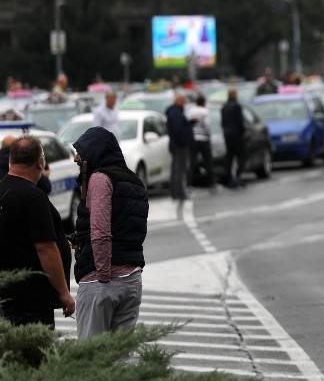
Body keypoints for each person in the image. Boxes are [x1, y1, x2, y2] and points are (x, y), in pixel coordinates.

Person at [72, 127, 147, 339]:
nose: (77, 157)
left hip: (102, 281)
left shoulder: (100, 179)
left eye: (81, 151)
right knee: (122, 357)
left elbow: (101, 232)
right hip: (132, 280)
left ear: (96, 152)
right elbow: (132, 228)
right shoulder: (135, 181)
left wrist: (103, 275)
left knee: (90, 357)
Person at [0, 136, 74, 327]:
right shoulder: (34, 197)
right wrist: (64, 293)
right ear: (40, 163)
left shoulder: (3, 190)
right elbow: (46, 248)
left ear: (10, 160)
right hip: (31, 301)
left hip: (6, 295)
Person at [165, 94, 192, 200]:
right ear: (179, 101)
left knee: (176, 169)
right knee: (179, 170)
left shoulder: (174, 111)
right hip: (179, 145)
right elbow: (178, 130)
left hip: (175, 144)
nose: (184, 103)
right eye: (183, 101)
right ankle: (179, 193)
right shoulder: (176, 113)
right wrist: (185, 140)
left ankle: (175, 192)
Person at [187, 93, 215, 188]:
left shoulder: (191, 111)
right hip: (203, 139)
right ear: (203, 103)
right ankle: (211, 183)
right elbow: (207, 126)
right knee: (208, 162)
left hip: (193, 139)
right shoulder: (205, 111)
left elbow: (188, 124)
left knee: (192, 162)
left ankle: (190, 183)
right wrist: (209, 135)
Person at [220, 88, 247, 188]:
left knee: (229, 157)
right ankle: (238, 177)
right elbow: (240, 122)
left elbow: (222, 123)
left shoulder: (224, 107)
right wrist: (243, 132)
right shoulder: (237, 106)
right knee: (241, 156)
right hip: (237, 135)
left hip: (227, 135)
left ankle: (229, 178)